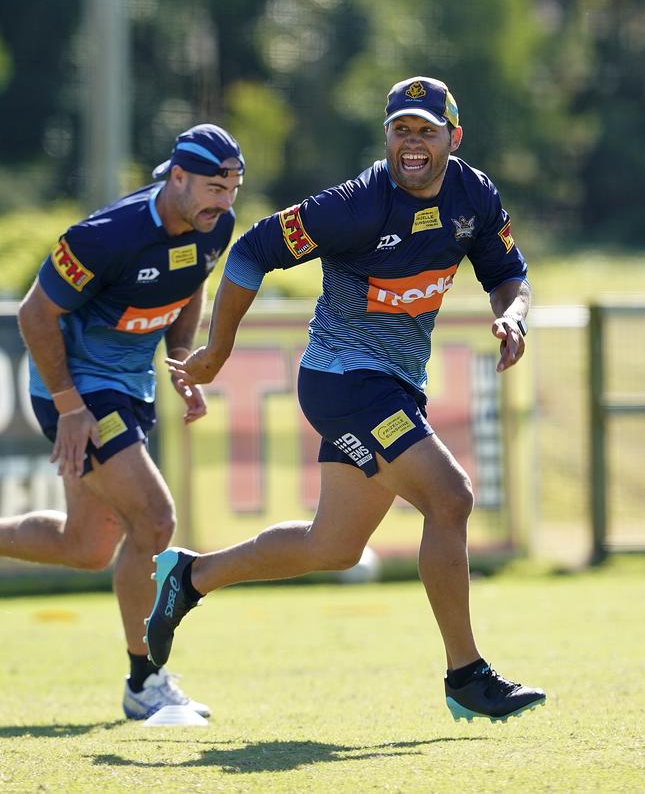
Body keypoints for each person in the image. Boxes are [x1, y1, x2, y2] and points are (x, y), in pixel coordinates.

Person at [146, 78, 546, 723]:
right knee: (451, 498)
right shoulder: (355, 205)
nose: (412, 143)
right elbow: (251, 252)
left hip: (389, 387)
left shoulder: (475, 196)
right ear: (386, 137)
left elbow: (508, 275)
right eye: (400, 130)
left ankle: (187, 578)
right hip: (343, 381)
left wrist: (515, 316)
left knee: (331, 547)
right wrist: (217, 350)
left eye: (426, 130)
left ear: (454, 137)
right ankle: (467, 677)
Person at [1, 124, 245, 720]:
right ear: (177, 177)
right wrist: (69, 405)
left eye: (233, 188)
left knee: (85, 546)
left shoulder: (215, 227)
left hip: (128, 388)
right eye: (214, 187)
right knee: (156, 518)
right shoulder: (106, 235)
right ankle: (146, 682)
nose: (224, 201)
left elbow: (190, 287)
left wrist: (180, 361)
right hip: (79, 392)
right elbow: (35, 316)